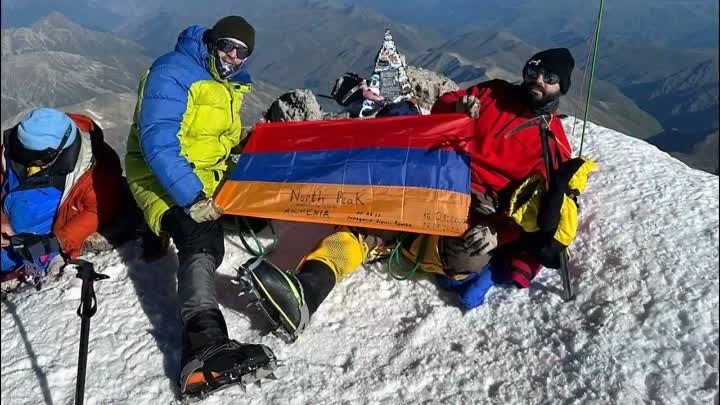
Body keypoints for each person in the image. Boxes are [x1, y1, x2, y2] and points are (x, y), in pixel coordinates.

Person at [237, 48, 584, 338]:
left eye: (551, 78)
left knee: (464, 256)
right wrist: (458, 109)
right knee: (369, 222)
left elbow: (535, 212)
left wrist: (499, 232)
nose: (539, 80)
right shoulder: (493, 92)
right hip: (433, 177)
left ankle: (404, 245)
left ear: (561, 88)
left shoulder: (550, 143)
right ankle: (307, 291)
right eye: (536, 70)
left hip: (476, 212)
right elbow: (442, 108)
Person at [124, 15, 277, 397]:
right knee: (200, 238)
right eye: (226, 45)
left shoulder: (229, 83)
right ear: (211, 42)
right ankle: (204, 344)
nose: (232, 56)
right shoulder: (173, 72)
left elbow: (215, 139)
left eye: (241, 52)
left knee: (263, 209)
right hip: (160, 176)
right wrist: (193, 198)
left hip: (204, 176)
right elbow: (157, 144)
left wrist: (246, 146)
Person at [1, 108, 123, 287]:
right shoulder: (26, 140)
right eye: (23, 153)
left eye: (36, 158)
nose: (27, 161)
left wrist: (52, 242)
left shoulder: (96, 174)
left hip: (28, 244)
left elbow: (95, 211)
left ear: (57, 151)